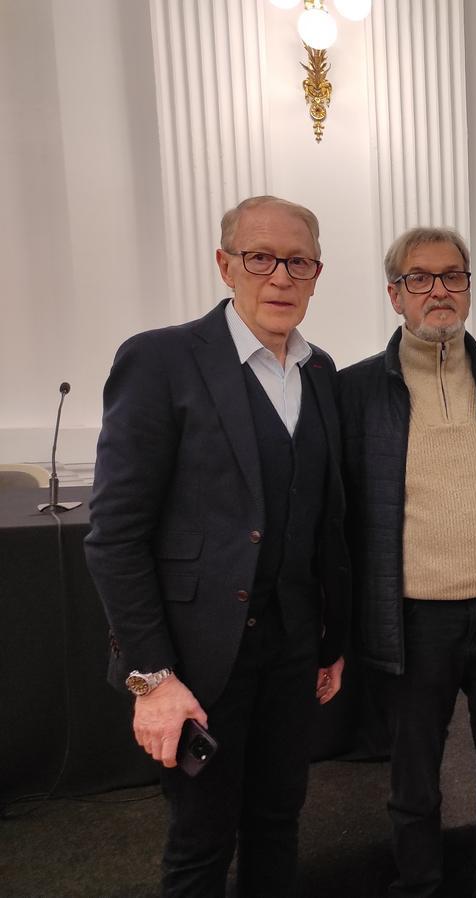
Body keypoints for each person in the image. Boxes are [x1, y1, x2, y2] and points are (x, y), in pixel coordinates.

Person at [85, 195, 350, 896]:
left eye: (298, 261)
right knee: (200, 844)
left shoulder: (321, 374)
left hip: (292, 654)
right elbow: (114, 536)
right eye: (260, 257)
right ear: (224, 264)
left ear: (317, 273)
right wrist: (151, 680)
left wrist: (331, 640)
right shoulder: (161, 359)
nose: (280, 277)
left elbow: (324, 522)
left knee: (277, 821)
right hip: (195, 664)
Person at [338, 227, 476, 898]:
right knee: (415, 783)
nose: (439, 291)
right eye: (420, 279)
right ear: (395, 294)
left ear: (469, 287)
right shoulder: (355, 393)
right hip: (413, 619)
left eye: (453, 277)